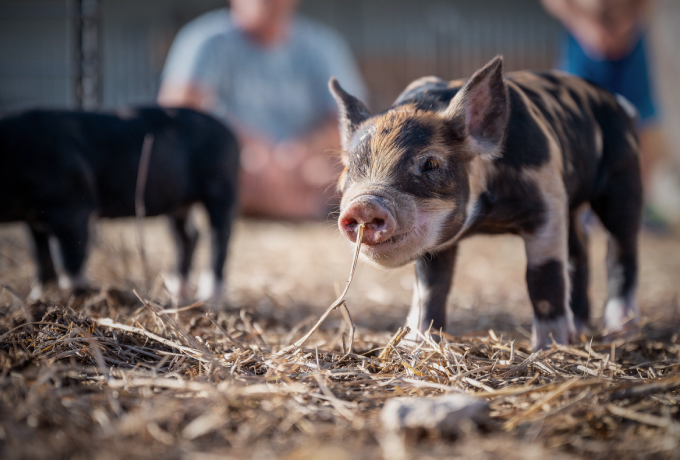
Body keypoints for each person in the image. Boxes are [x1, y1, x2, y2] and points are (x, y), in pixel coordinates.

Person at [158, 0, 367, 219]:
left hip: (305, 168)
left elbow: (351, 120)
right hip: (240, 162)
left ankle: (275, 206)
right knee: (231, 172)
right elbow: (177, 113)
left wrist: (302, 149)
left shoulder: (323, 45)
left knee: (343, 175)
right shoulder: (204, 40)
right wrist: (250, 144)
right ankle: (304, 208)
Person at [541, 0, 665, 224]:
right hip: (582, 37)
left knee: (640, 122)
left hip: (630, 37)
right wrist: (583, 25)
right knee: (575, 119)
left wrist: (628, 27)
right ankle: (582, 205)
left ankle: (637, 204)